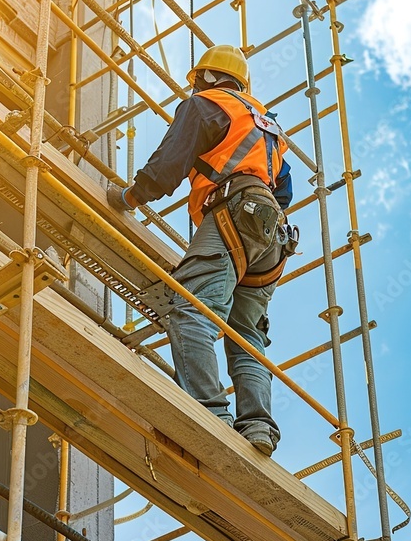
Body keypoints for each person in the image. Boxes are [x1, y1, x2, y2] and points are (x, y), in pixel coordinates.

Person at [107, 45, 296, 457]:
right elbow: (285, 191)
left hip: (234, 215)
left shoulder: (206, 105)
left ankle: (211, 414)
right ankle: (258, 426)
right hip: (273, 235)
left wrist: (130, 196)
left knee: (191, 313)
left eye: (198, 79)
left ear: (208, 77)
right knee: (246, 336)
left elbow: (169, 163)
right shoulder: (268, 127)